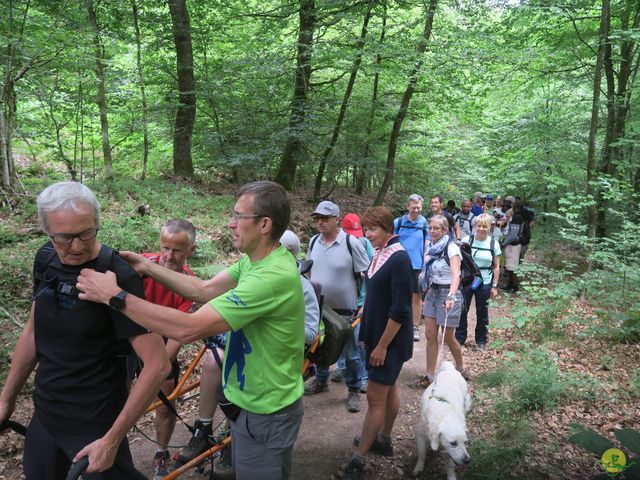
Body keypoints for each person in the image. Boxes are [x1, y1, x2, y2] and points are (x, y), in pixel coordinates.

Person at [77, 181, 306, 480]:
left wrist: (114, 297)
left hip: (267, 414)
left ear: (264, 224)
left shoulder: (271, 277)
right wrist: (148, 267)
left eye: (238, 216)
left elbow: (188, 329)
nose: (230, 223)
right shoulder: (257, 260)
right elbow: (204, 289)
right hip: (251, 407)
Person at [0, 181, 169, 479]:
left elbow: (157, 364)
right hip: (47, 416)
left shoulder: (116, 275)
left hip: (96, 425)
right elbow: (32, 332)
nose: (77, 246)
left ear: (96, 223)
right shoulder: (46, 260)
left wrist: (112, 439)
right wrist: (7, 398)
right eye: (64, 237)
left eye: (86, 233)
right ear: (46, 231)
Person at [342, 207, 413, 480]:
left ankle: (358, 461)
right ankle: (383, 439)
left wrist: (382, 346)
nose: (367, 234)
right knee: (389, 385)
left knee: (373, 397)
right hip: (376, 334)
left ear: (387, 228)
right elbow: (377, 292)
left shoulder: (400, 259)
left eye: (372, 229)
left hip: (390, 340)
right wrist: (365, 311)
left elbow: (401, 310)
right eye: (366, 229)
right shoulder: (380, 252)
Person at [141, 219, 197, 479]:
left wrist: (157, 366)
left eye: (176, 250)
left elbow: (180, 334)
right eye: (165, 248)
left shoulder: (191, 285)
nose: (169, 255)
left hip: (164, 344)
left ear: (190, 251)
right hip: (129, 338)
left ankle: (161, 452)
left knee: (165, 405)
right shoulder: (142, 265)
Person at [304, 201, 370, 413]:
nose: (320, 222)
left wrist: (365, 304)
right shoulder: (314, 241)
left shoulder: (352, 242)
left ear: (337, 218)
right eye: (317, 218)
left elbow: (366, 276)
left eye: (324, 218)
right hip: (319, 308)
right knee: (319, 349)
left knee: (350, 353)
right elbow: (309, 274)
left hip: (346, 311)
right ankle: (321, 380)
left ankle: (353, 388)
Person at [408, 215, 466, 389]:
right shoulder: (430, 246)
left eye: (436, 228)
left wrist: (451, 295)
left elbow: (456, 274)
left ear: (445, 230)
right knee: (430, 335)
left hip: (449, 292)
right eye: (430, 228)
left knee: (448, 336)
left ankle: (461, 369)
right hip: (432, 292)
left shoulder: (452, 248)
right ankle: (430, 376)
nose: (432, 231)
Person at [332, 213, 374, 393]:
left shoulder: (365, 244)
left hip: (360, 299)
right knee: (341, 338)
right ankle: (342, 369)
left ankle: (363, 376)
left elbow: (371, 271)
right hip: (344, 301)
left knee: (360, 341)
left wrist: (366, 301)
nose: (356, 239)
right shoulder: (340, 244)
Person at [456, 214, 501, 349]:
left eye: (484, 226)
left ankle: (481, 340)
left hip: (485, 281)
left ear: (489, 227)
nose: (481, 229)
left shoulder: (494, 243)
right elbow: (458, 261)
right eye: (479, 225)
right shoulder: (466, 240)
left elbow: (497, 266)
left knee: (482, 311)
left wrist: (494, 286)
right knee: (463, 310)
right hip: (468, 280)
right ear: (475, 226)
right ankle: (459, 338)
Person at [393, 195, 428, 342]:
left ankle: (415, 327)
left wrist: (426, 259)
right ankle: (396, 324)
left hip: (417, 265)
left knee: (416, 296)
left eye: (419, 207)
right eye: (414, 207)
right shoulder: (398, 222)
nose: (416, 210)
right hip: (399, 264)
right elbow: (392, 240)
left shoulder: (424, 222)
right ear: (407, 206)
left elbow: (427, 242)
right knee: (397, 294)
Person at [279, 229, 320, 346]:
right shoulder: (259, 278)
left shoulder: (304, 288)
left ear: (293, 254)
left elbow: (311, 335)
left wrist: (278, 322)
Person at [502, 200, 530, 294]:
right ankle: (510, 285)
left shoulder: (517, 217)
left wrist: (504, 244)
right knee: (510, 267)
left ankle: (514, 287)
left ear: (515, 207)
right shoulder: (522, 216)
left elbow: (514, 235)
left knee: (513, 267)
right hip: (513, 244)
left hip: (514, 245)